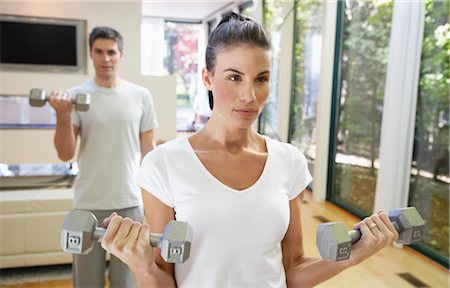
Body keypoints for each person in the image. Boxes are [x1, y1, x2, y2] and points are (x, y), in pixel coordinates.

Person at [100, 13, 398, 287]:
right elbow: (164, 277)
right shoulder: (163, 164)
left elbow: (292, 269)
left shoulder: (288, 161)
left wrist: (353, 256)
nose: (249, 96)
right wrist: (142, 268)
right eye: (234, 77)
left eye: (261, 79)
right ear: (207, 78)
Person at [49, 26, 159, 287]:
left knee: (127, 281)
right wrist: (63, 115)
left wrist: (159, 197)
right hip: (88, 202)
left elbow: (149, 151)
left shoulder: (140, 96)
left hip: (128, 200)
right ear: (91, 53)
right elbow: (65, 154)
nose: (105, 58)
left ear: (121, 54)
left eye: (111, 52)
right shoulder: (74, 97)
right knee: (87, 282)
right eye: (99, 51)